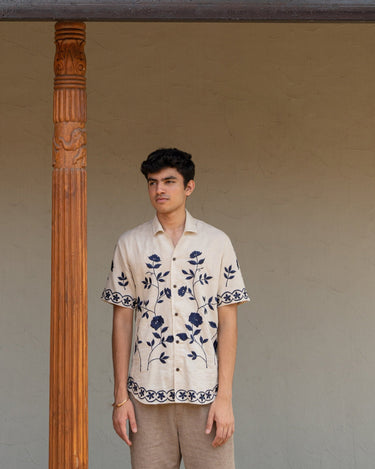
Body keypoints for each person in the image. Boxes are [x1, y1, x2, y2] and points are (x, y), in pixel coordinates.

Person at [101, 148, 249, 469]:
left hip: (205, 397)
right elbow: (122, 323)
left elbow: (229, 324)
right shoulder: (130, 243)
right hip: (146, 399)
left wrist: (224, 398)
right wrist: (121, 399)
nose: (160, 190)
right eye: (153, 183)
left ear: (189, 187)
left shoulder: (217, 243)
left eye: (169, 182)